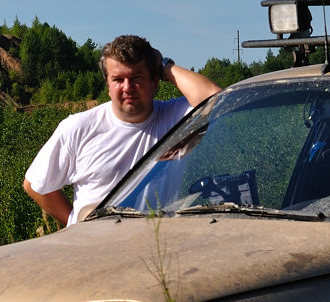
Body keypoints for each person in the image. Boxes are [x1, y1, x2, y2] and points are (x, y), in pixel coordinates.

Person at [23, 35, 221, 226]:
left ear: (155, 82)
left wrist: (164, 66)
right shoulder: (79, 128)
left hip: (157, 245)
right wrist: (75, 224)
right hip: (97, 249)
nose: (128, 87)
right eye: (118, 79)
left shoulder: (175, 118)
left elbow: (215, 98)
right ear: (108, 85)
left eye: (136, 77)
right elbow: (35, 185)